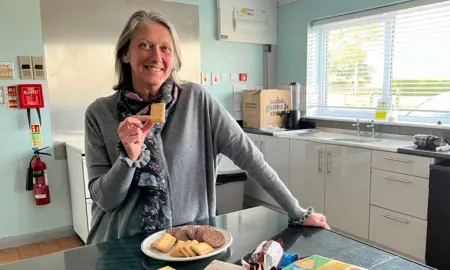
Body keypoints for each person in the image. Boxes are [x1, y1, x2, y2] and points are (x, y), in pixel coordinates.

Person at [84, 9, 329, 245]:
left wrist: (296, 211)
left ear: (174, 58)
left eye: (165, 48)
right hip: (122, 248)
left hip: (188, 246)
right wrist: (128, 157)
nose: (156, 57)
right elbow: (105, 200)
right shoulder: (99, 113)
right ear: (125, 53)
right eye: (145, 45)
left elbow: (250, 157)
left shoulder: (196, 100)